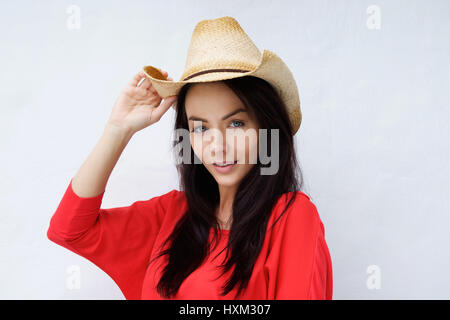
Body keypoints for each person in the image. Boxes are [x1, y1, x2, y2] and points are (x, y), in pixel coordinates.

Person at [47, 16, 333, 300]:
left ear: (266, 129)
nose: (217, 146)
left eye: (236, 123)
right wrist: (117, 130)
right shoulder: (173, 214)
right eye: (201, 127)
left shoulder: (292, 218)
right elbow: (68, 231)